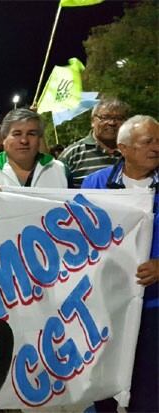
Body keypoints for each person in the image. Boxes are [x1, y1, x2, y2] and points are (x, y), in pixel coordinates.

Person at [82, 115, 159, 413]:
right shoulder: (96, 184)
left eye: (158, 140)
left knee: (149, 386)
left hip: (153, 307)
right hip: (106, 303)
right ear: (123, 148)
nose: (156, 147)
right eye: (147, 141)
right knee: (104, 381)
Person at [0, 108, 69, 188]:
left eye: (31, 134)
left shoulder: (61, 171)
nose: (24, 140)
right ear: (3, 139)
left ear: (39, 138)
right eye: (17, 134)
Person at [59, 98, 129, 188]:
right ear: (92, 121)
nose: (112, 123)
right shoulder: (72, 155)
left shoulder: (135, 152)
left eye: (119, 118)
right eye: (105, 117)